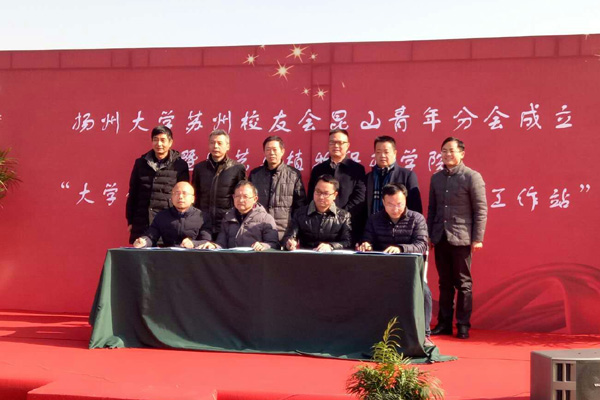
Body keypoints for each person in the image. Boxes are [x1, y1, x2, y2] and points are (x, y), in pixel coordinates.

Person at [357, 183, 433, 346]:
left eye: (399, 204)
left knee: (425, 292)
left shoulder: (417, 219)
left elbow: (422, 245)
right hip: (382, 270)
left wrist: (400, 248)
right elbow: (367, 239)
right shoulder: (374, 219)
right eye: (390, 204)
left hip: (409, 270)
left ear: (405, 201)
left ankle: (425, 334)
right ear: (383, 202)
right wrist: (366, 245)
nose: (395, 208)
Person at [428, 137, 487, 339]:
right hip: (440, 236)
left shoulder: (472, 177)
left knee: (463, 283)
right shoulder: (436, 178)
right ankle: (444, 323)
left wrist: (477, 238)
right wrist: (430, 234)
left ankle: (463, 324)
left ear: (462, 153)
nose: (447, 154)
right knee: (444, 283)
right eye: (444, 151)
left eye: (451, 150)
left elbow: (480, 210)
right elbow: (432, 209)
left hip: (462, 237)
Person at [126, 125, 189, 244]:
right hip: (143, 223)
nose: (159, 144)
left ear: (170, 142)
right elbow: (133, 193)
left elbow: (184, 197)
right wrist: (130, 221)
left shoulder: (180, 165)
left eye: (163, 140)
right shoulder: (140, 163)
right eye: (155, 140)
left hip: (169, 222)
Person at [307, 129, 365, 243]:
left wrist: (341, 216)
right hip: (320, 226)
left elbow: (359, 198)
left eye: (340, 143)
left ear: (348, 145)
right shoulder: (318, 169)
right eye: (332, 142)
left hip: (348, 226)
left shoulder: (357, 169)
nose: (336, 146)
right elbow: (311, 197)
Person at [249, 136, 306, 242]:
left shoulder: (293, 175)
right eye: (268, 150)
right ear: (264, 152)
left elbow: (300, 207)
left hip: (284, 233)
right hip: (258, 232)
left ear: (282, 151)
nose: (271, 153)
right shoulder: (255, 175)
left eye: (275, 149)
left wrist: (293, 234)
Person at [192, 129, 246, 239]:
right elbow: (195, 196)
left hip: (227, 223)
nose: (215, 146)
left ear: (227, 146)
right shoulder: (199, 168)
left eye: (219, 143)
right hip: (203, 224)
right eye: (212, 143)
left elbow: (241, 197)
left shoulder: (237, 169)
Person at [198, 181, 279, 251]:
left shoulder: (266, 219)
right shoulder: (228, 217)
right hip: (231, 260)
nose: (241, 200)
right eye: (237, 196)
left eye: (245, 197)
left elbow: (274, 245)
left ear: (255, 199)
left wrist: (263, 246)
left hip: (256, 260)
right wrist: (214, 246)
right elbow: (221, 244)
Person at [283, 175, 352, 252]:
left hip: (332, 257)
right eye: (318, 192)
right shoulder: (300, 213)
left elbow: (347, 242)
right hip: (306, 257)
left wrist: (331, 246)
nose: (321, 197)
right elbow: (290, 235)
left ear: (335, 195)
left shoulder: (343, 216)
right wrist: (289, 243)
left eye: (326, 194)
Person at [133, 182, 212, 248]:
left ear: (192, 199)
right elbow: (151, 236)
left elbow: (207, 241)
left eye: (184, 193)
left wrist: (193, 244)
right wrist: (144, 242)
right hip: (169, 257)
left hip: (193, 258)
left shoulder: (202, 217)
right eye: (177, 193)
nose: (180, 197)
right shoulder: (162, 216)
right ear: (172, 197)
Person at [366, 136, 422, 215]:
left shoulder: (407, 176)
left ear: (395, 153)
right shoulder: (368, 177)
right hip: (373, 222)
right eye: (378, 152)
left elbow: (416, 208)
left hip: (399, 222)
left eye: (386, 152)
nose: (382, 155)